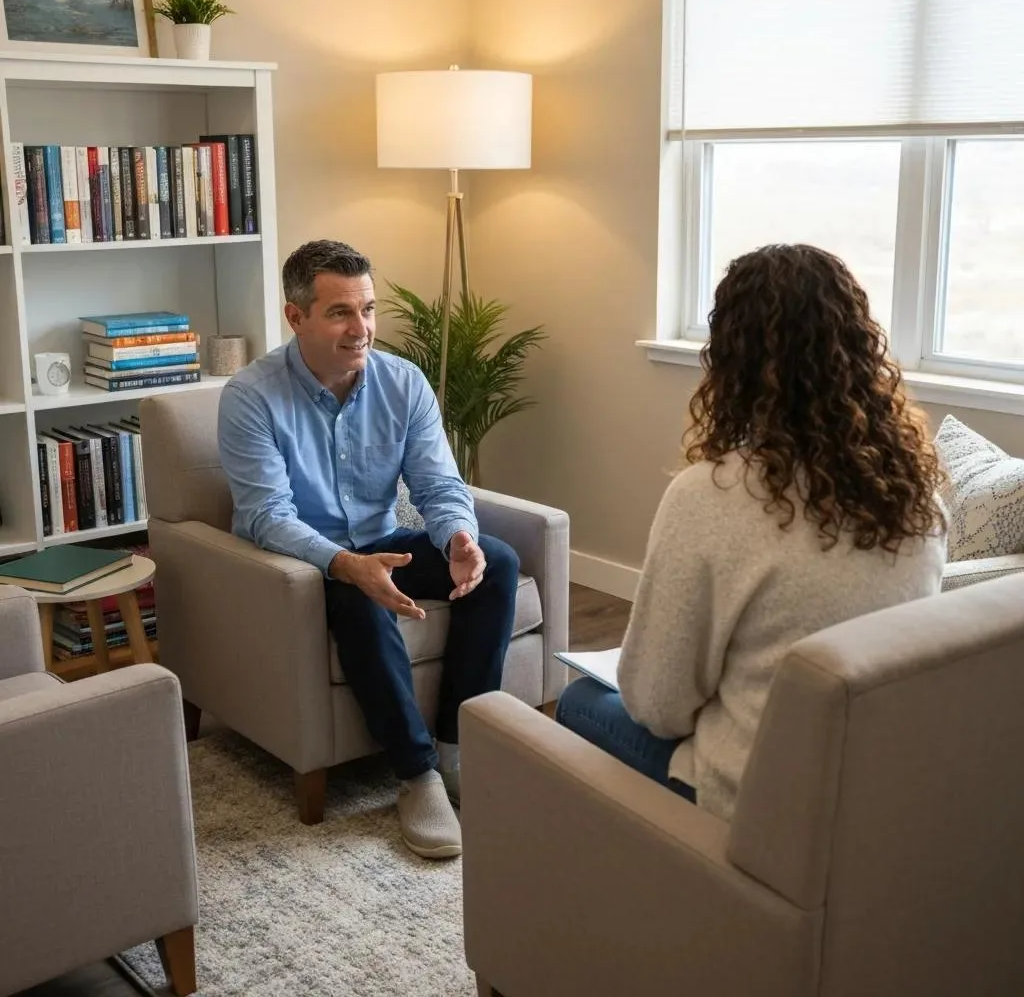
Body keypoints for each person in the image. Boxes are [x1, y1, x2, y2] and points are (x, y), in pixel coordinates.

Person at [556, 243, 947, 822]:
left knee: (581, 702)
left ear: (731, 360)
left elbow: (658, 706)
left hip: (752, 794)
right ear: (861, 348)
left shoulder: (710, 495)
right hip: (869, 784)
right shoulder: (917, 496)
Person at [217, 239, 520, 859]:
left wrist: (456, 536)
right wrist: (348, 565)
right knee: (357, 598)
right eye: (340, 313)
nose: (362, 329)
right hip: (304, 558)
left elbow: (437, 484)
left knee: (499, 563)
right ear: (295, 316)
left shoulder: (402, 383)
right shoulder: (251, 396)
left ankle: (457, 748)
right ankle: (417, 774)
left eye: (369, 309)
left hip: (382, 537)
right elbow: (266, 516)